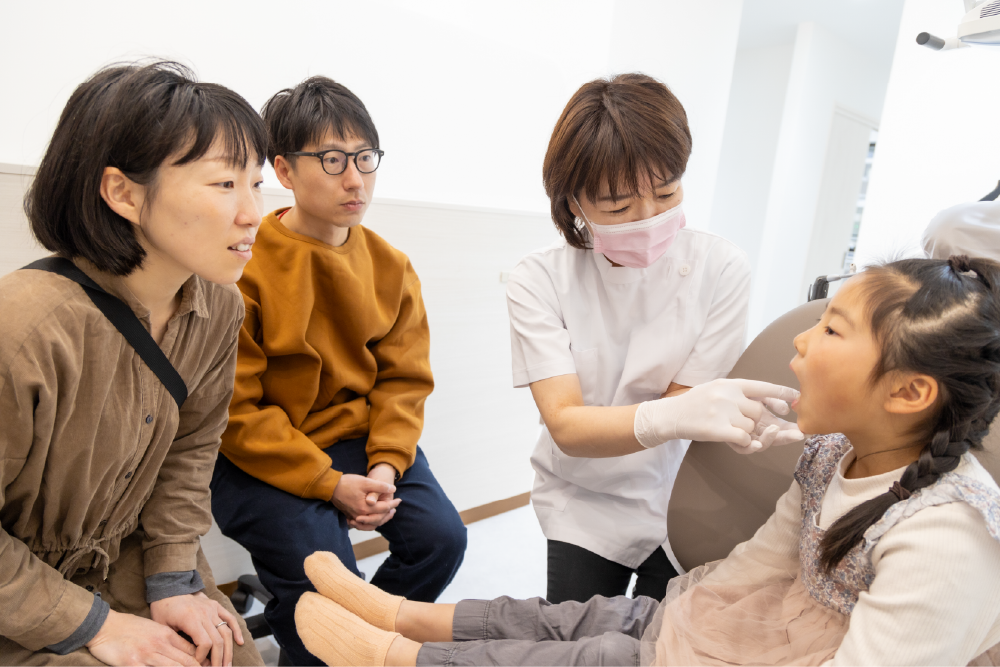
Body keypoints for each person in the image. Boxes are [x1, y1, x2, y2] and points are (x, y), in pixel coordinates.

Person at [291, 254, 1000, 667]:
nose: (804, 342)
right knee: (592, 615)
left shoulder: (945, 541)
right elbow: (766, 554)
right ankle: (400, 613)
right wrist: (686, 608)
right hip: (761, 615)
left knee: (592, 655)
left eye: (833, 327)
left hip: (784, 654)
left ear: (909, 391)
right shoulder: (834, 452)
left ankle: (394, 657)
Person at [0, 63, 267, 666]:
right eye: (225, 184)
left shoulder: (219, 308)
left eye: (255, 183)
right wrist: (93, 624)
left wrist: (173, 577)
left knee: (227, 650)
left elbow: (191, 449)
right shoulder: (24, 327)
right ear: (122, 192)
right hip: (16, 591)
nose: (252, 212)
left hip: (129, 554)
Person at [504, 72, 803, 603]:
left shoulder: (720, 267)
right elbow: (569, 426)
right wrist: (676, 414)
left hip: (679, 492)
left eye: (667, 194)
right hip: (583, 498)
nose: (648, 219)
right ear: (574, 203)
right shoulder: (539, 279)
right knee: (571, 639)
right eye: (618, 208)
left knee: (656, 642)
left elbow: (690, 408)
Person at [210, 76, 467, 666]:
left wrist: (384, 467)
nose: (354, 179)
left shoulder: (391, 266)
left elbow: (403, 383)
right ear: (283, 169)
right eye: (331, 160)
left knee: (442, 540)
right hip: (262, 456)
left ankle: (352, 642)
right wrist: (330, 485)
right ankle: (325, 643)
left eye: (364, 158)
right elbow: (235, 410)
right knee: (327, 577)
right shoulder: (242, 267)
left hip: (358, 444)